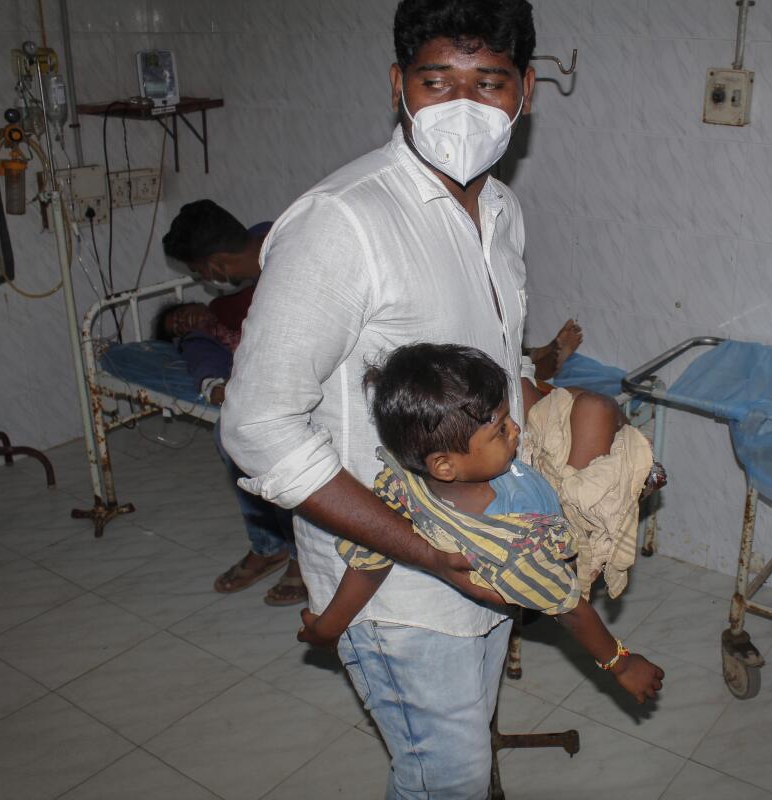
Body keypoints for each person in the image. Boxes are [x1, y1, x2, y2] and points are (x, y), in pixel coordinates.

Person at [219, 2, 566, 795]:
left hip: (485, 551)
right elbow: (258, 425)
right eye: (438, 81)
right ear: (398, 86)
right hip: (394, 579)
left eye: (490, 83)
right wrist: (427, 552)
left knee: (464, 757)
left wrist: (582, 455)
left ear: (527, 92)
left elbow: (500, 370)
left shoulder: (502, 213)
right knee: (445, 774)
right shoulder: (344, 223)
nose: (464, 107)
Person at [299, 343, 664, 704]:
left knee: (580, 402)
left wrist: (328, 625)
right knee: (599, 408)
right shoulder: (513, 549)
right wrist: (620, 664)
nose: (516, 429)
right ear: (444, 465)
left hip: (527, 475)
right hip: (558, 524)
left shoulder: (403, 482)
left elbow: (370, 556)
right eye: (501, 430)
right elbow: (572, 610)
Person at [161, 201, 306, 606]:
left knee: (262, 440)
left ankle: (300, 554)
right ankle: (269, 545)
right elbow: (206, 343)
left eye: (199, 273)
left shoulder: (291, 260)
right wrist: (214, 384)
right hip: (276, 383)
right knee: (230, 434)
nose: (203, 281)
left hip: (324, 377)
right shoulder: (230, 299)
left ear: (216, 266)